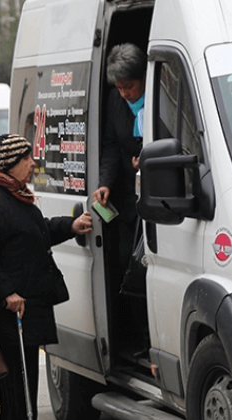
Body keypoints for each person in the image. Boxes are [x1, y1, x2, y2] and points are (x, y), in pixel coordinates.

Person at [0, 134, 92, 420]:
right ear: (9, 165)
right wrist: (8, 292)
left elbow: (36, 232)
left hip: (28, 305)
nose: (33, 164)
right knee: (19, 387)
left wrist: (71, 226)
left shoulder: (14, 196)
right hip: (10, 312)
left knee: (24, 384)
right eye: (26, 159)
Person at [92, 42, 146, 273]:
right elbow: (111, 147)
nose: (125, 93)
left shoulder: (162, 94)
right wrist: (105, 182)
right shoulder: (116, 100)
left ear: (144, 76)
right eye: (119, 87)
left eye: (129, 86)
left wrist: (149, 161)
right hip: (128, 197)